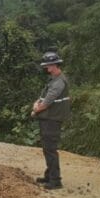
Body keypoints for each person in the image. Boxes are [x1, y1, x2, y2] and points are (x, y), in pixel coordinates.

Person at [31, 52, 71, 190]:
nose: (46, 67)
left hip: (52, 119)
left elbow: (47, 102)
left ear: (54, 65)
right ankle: (49, 175)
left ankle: (55, 180)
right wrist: (36, 104)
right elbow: (43, 97)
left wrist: (36, 110)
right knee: (47, 148)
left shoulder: (59, 82)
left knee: (50, 149)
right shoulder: (54, 79)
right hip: (49, 118)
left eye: (48, 65)